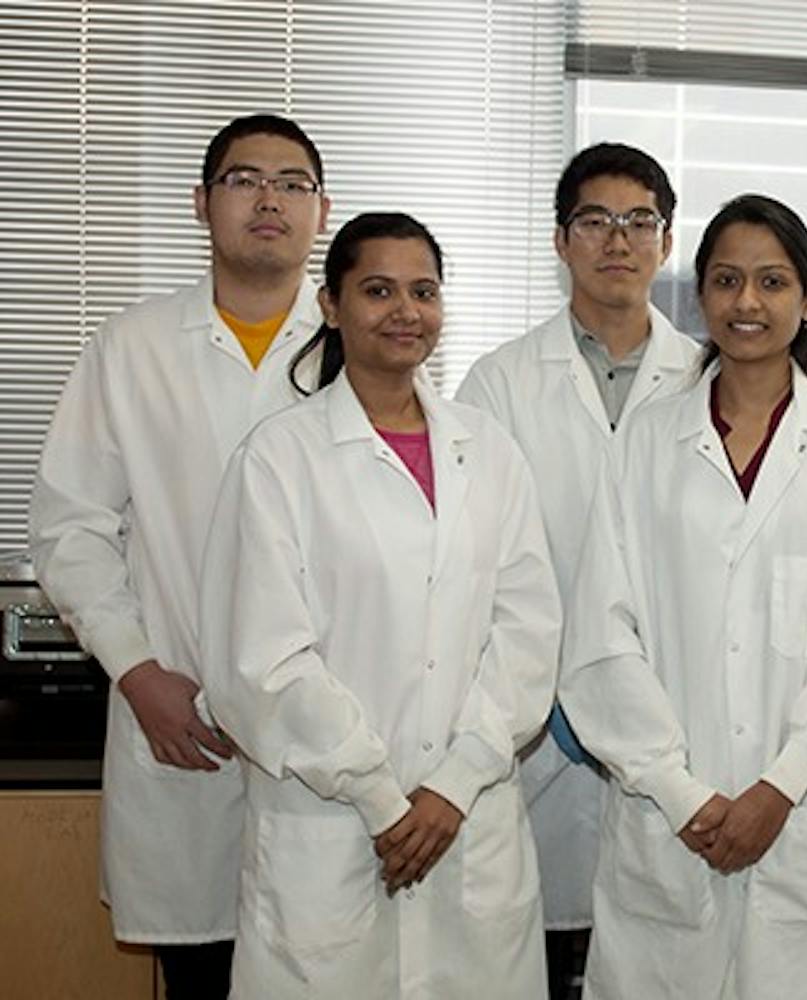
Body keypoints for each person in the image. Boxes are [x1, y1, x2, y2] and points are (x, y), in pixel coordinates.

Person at [559, 194, 807, 1000]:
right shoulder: (647, 443)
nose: (748, 303)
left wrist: (780, 784)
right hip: (667, 827)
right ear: (700, 298)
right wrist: (680, 792)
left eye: (771, 282)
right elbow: (599, 641)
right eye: (726, 281)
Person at [196, 212, 561, 996]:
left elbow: (528, 633)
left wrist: (452, 786)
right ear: (331, 305)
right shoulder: (279, 458)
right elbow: (260, 659)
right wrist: (380, 796)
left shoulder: (488, 450)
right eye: (378, 290)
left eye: (424, 291)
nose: (406, 311)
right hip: (329, 829)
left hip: (470, 823)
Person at [29, 113, 329, 997]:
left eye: (293, 182)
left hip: (329, 734)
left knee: (329, 963)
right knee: (200, 973)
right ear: (201, 204)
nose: (269, 199)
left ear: (324, 210)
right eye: (244, 180)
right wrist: (136, 670)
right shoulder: (131, 350)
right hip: (181, 719)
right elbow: (69, 529)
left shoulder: (369, 349)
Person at [455, 142, 698, 996]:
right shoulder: (498, 384)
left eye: (641, 222)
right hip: (533, 725)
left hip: (677, 716)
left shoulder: (711, 380)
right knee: (547, 950)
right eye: (595, 221)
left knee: (660, 953)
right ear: (561, 241)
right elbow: (474, 565)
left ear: (666, 243)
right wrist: (545, 693)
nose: (618, 240)